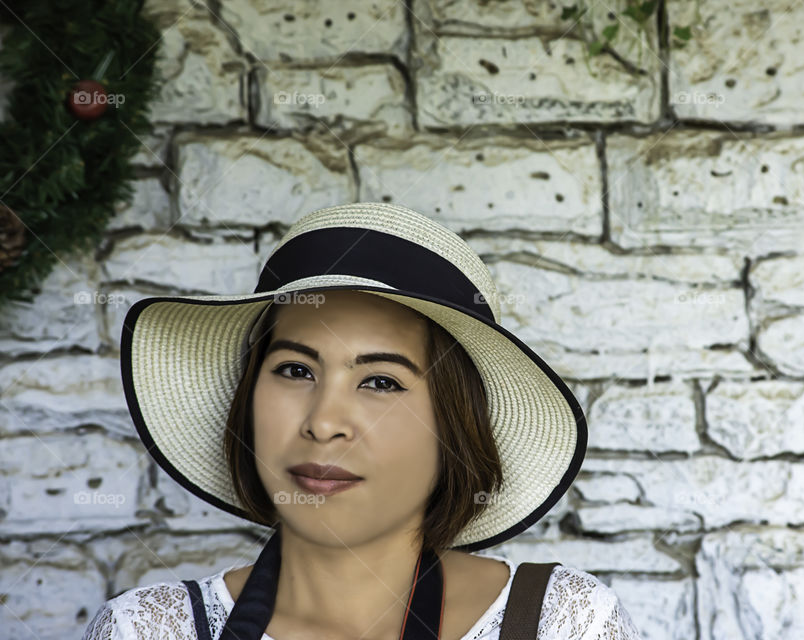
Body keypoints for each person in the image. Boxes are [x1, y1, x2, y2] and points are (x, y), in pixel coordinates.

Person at [82, 202, 642, 639]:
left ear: (452, 427)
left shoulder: (564, 624)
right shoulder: (145, 630)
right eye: (296, 369)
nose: (324, 423)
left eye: (381, 382)